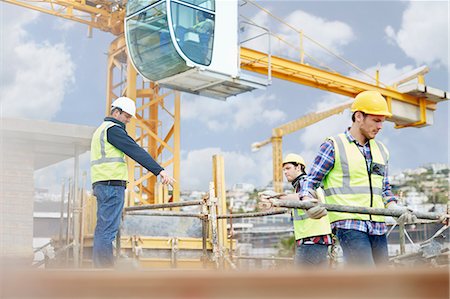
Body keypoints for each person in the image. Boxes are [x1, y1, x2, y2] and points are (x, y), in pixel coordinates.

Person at [298, 90, 417, 267]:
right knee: (367, 277)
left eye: (382, 122)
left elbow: (384, 191)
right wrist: (307, 201)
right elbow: (310, 181)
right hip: (349, 223)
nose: (380, 126)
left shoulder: (381, 151)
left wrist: (395, 209)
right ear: (359, 116)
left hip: (377, 224)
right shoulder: (333, 145)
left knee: (382, 280)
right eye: (376, 120)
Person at [90, 96, 175, 268]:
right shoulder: (113, 129)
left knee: (102, 229)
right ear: (116, 112)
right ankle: (105, 272)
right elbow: (135, 150)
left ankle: (100, 269)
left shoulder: (100, 129)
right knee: (107, 231)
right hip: (111, 186)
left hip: (101, 184)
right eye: (127, 116)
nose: (128, 120)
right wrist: (160, 170)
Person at [281, 153, 333, 267]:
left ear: (298, 167)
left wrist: (276, 197)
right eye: (284, 170)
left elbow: (300, 197)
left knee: (301, 282)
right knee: (317, 283)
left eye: (288, 168)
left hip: (310, 240)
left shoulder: (304, 182)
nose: (285, 172)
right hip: (319, 240)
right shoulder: (308, 184)